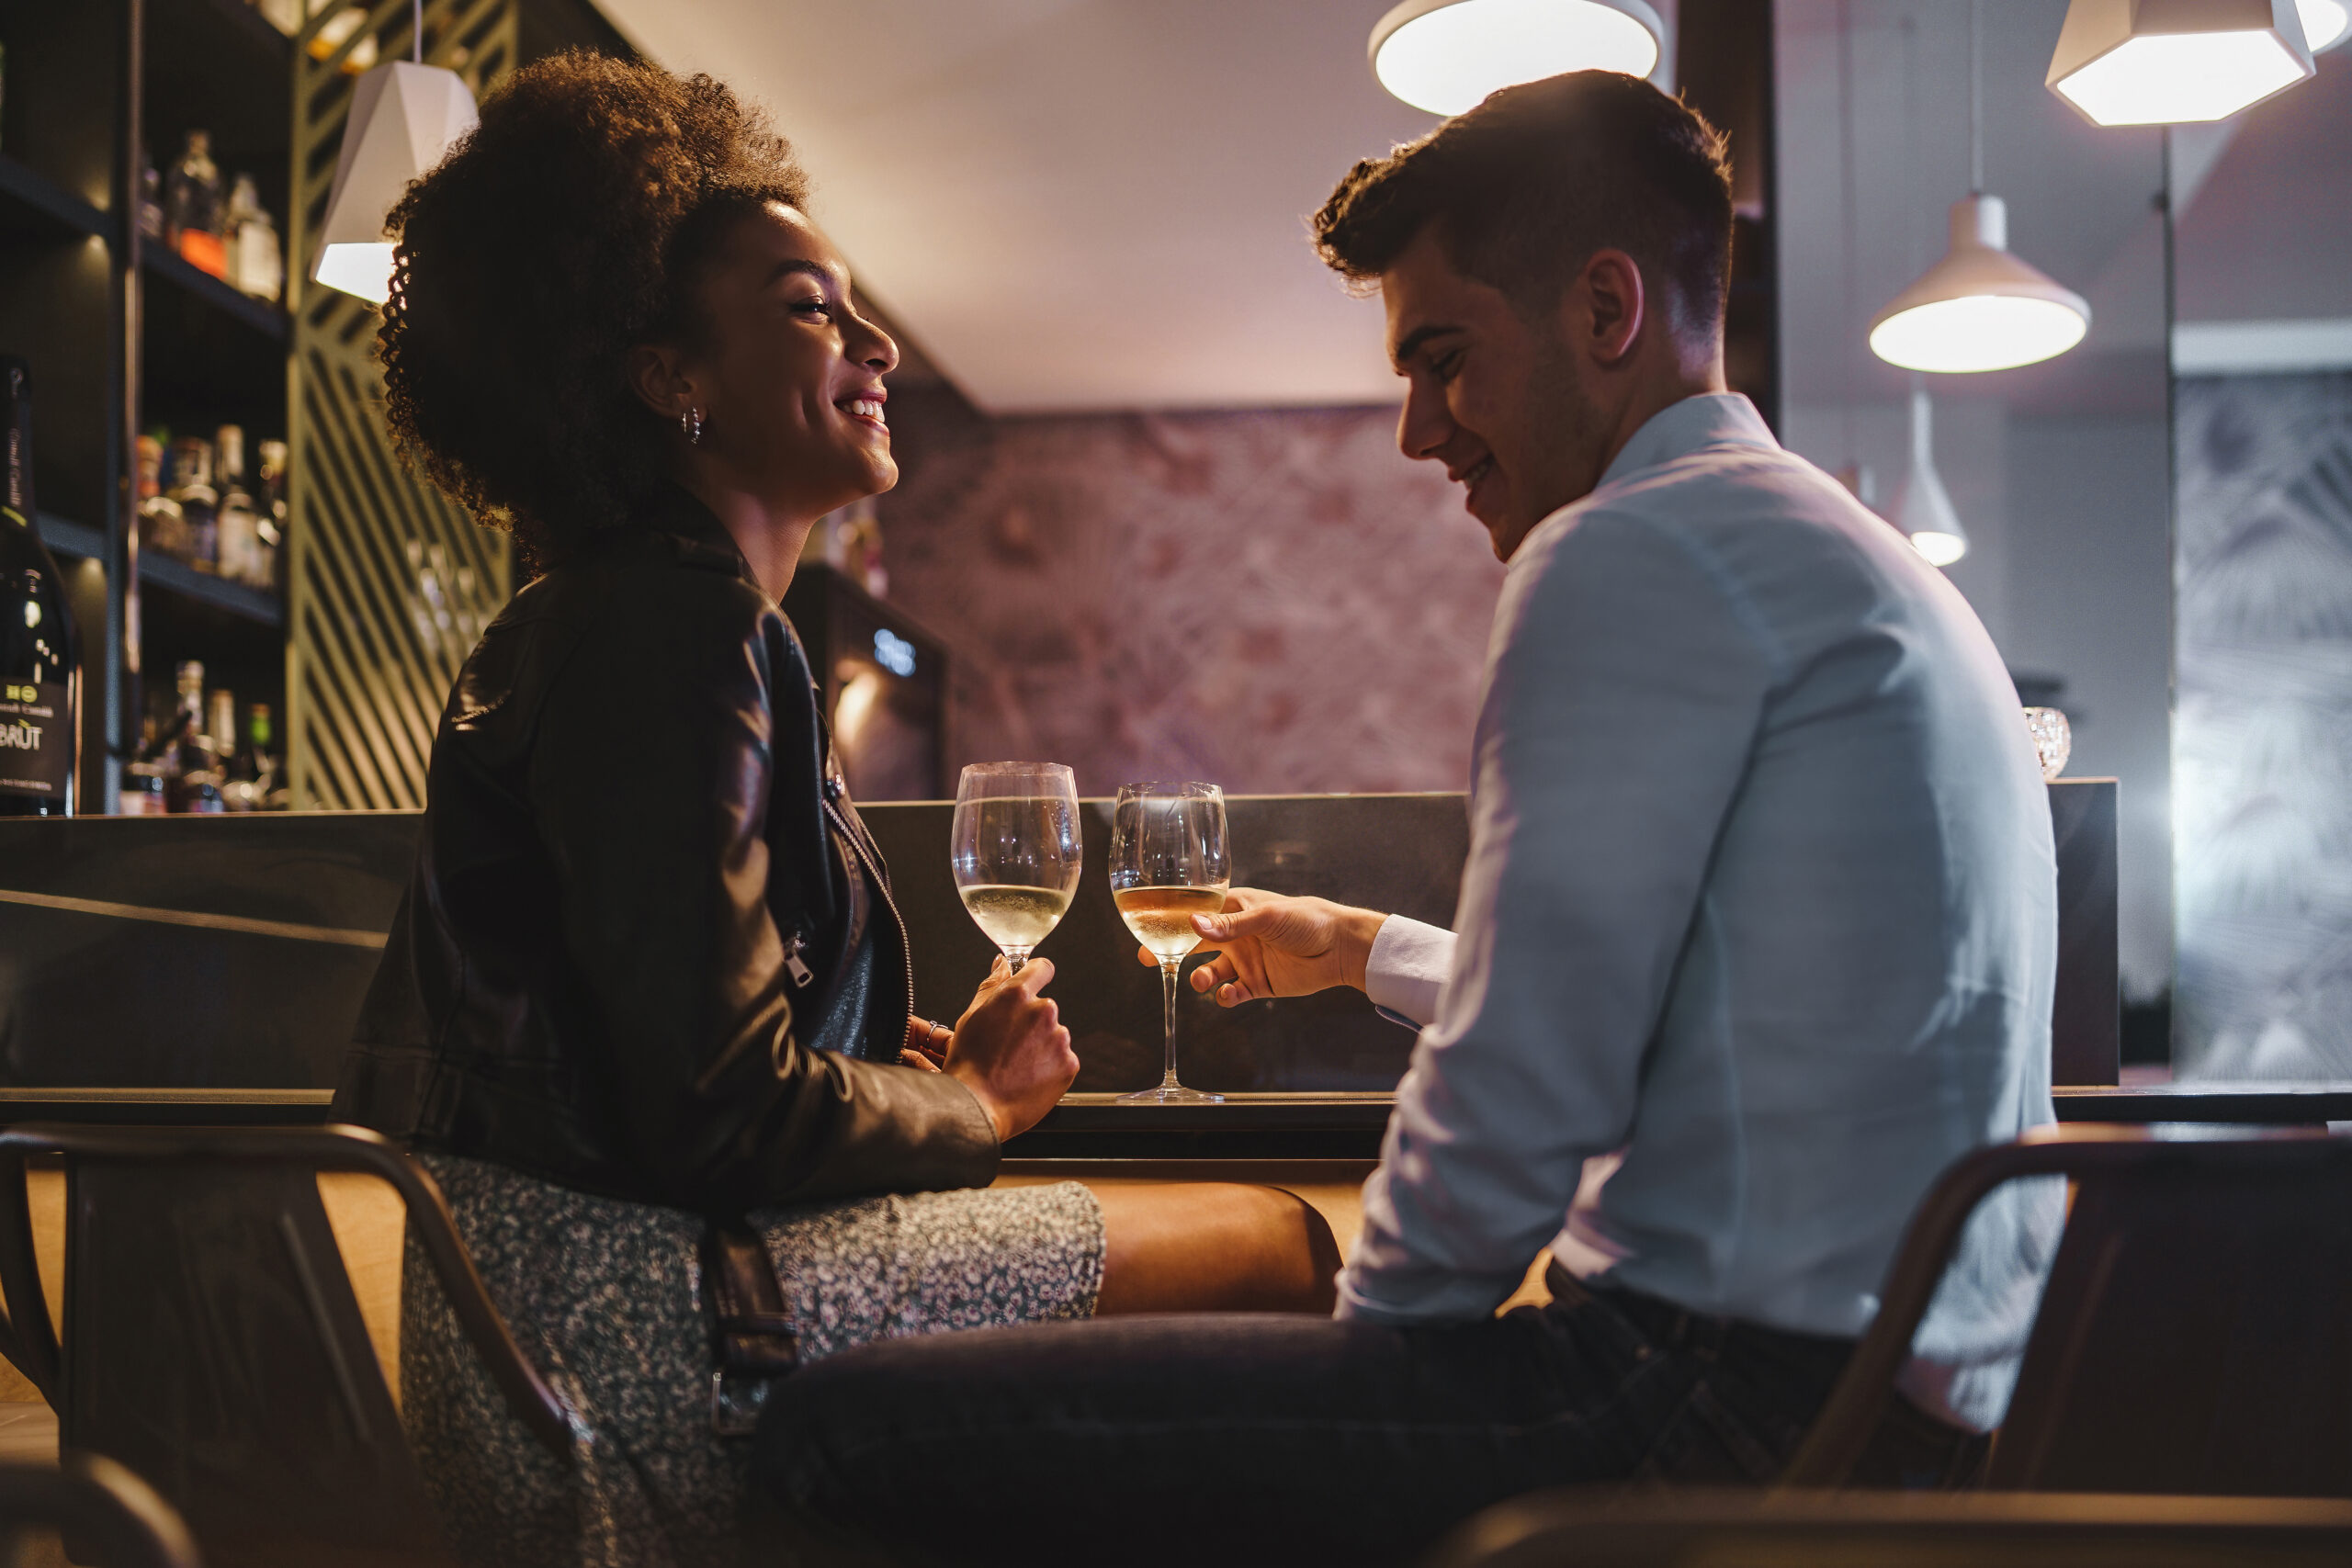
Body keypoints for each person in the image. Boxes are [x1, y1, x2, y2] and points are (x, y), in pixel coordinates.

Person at [753, 70, 2061, 1564]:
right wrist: (1363, 944)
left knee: (837, 1433)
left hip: (1693, 1404)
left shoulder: (1625, 554)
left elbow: (1528, 1083)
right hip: (1884, 1422)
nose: (1417, 431)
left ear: (1607, 309)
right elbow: (1675, 1011)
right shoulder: (1859, 568)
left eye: (1445, 360)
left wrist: (1355, 1375)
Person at [333, 51, 1338, 1568]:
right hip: (625, 1350)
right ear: (668, 375)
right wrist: (977, 1106)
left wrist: (869, 1060)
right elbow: (716, 1110)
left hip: (544, 1329)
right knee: (1277, 1244)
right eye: (812, 306)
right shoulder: (676, 632)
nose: (875, 339)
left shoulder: (613, 618)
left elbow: (656, 1048)